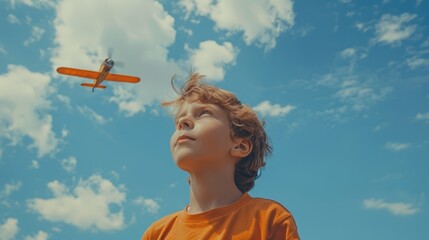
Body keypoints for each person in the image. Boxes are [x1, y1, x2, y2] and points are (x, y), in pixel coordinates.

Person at [142, 73, 299, 240]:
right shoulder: (157, 233)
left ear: (240, 146)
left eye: (203, 113)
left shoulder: (269, 218)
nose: (183, 122)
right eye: (178, 121)